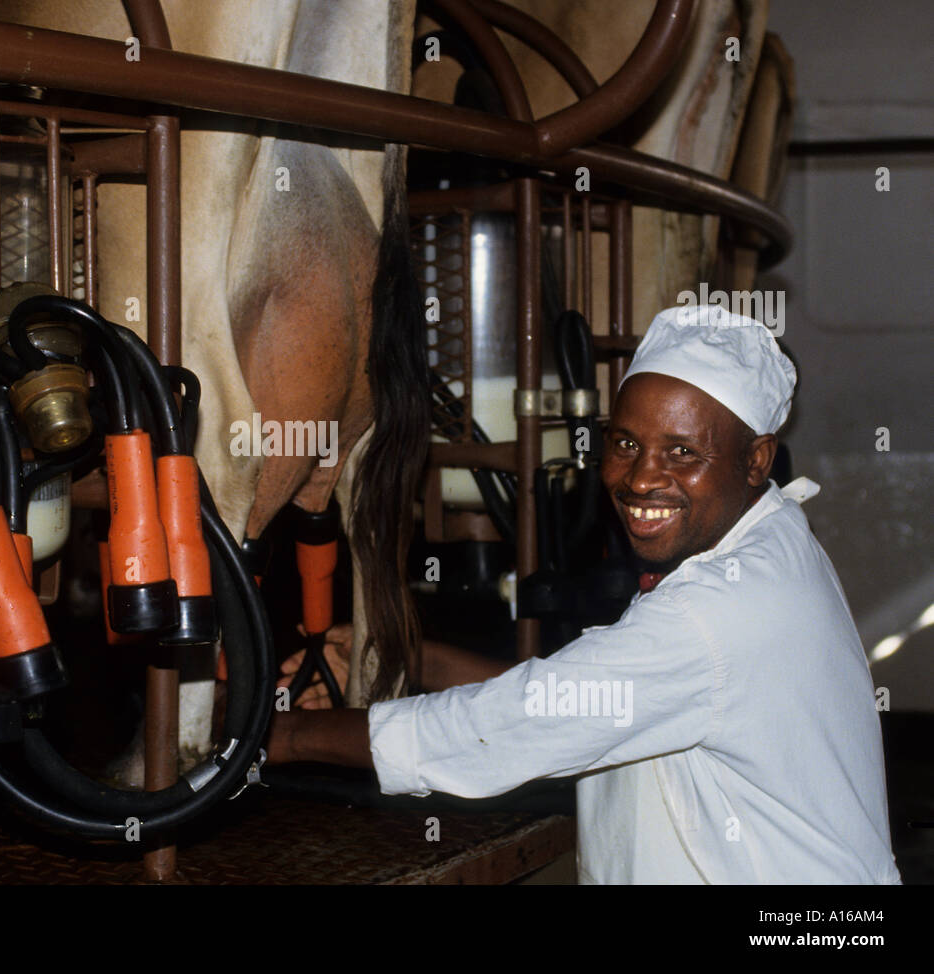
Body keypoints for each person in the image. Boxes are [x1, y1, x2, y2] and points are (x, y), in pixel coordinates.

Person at [267, 304, 902, 884]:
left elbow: (497, 730)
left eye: (683, 451)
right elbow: (585, 695)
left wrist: (281, 737)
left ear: (758, 459)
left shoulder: (715, 612)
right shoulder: (767, 542)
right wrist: (414, 655)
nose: (642, 477)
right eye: (625, 444)